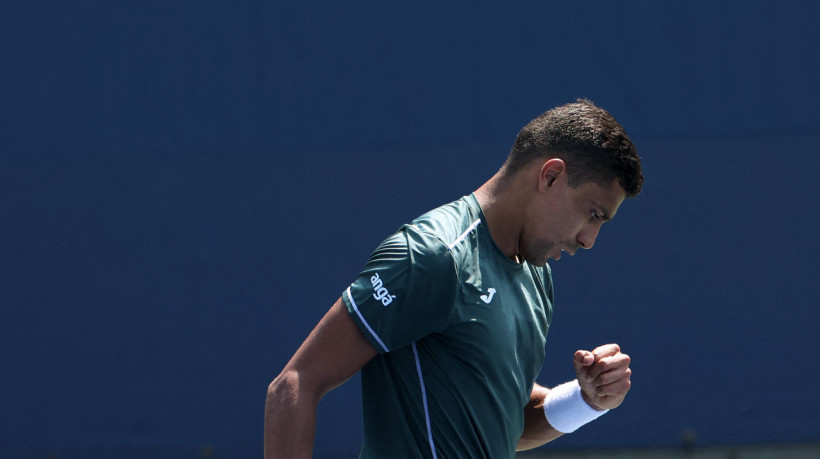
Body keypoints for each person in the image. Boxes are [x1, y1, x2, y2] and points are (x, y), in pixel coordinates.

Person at [265, 99, 643, 458]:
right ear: (552, 176)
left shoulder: (537, 278)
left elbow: (501, 425)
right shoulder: (433, 255)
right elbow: (295, 383)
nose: (589, 240)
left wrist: (586, 399)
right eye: (593, 214)